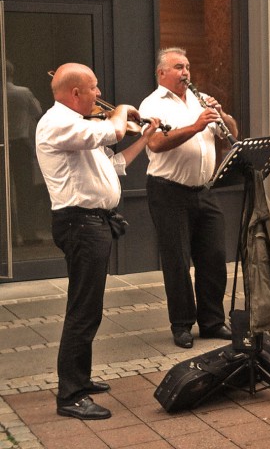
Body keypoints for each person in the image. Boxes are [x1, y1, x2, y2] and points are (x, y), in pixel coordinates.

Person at [36, 62, 160, 420]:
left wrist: (144, 139)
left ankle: (81, 379)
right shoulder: (58, 122)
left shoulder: (79, 126)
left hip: (94, 224)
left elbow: (115, 162)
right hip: (81, 225)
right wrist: (122, 113)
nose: (100, 94)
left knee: (88, 308)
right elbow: (111, 133)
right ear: (76, 93)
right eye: (94, 88)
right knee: (83, 310)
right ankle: (70, 395)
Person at [138, 47, 239, 349]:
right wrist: (196, 126)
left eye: (188, 66)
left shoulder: (199, 98)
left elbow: (232, 133)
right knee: (178, 261)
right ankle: (181, 324)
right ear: (162, 73)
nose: (186, 72)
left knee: (214, 257)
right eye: (179, 67)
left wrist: (222, 116)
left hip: (204, 189)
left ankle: (212, 321)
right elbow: (154, 143)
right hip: (169, 191)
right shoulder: (151, 104)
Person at [6, 60, 43, 245]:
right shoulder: (23, 92)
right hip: (20, 144)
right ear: (12, 72)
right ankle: (29, 233)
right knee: (25, 191)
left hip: (3, 144)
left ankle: (9, 235)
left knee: (4, 192)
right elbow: (37, 112)